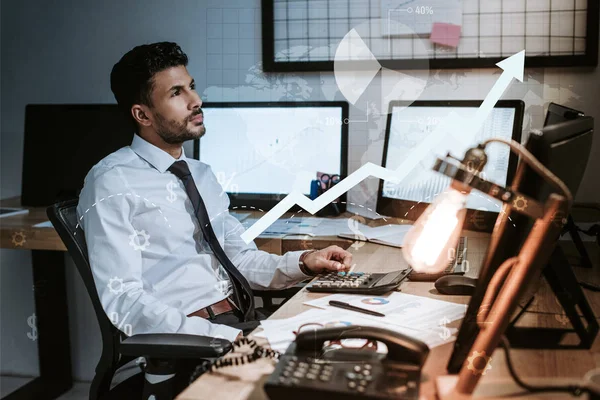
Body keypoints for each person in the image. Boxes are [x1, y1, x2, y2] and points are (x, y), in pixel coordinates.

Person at [78, 41, 352, 397]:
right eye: (177, 93)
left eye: (191, 86)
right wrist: (225, 339)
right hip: (185, 346)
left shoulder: (199, 173)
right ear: (142, 115)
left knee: (354, 355)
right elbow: (124, 299)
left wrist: (302, 262)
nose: (196, 100)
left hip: (236, 322)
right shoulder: (112, 181)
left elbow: (239, 258)